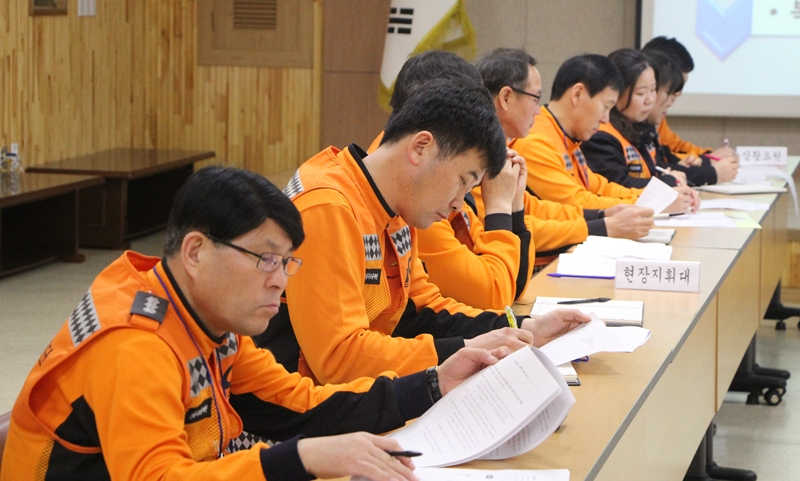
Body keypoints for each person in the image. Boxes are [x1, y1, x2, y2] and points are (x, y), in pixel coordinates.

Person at [0, 167, 512, 481]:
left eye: (287, 262)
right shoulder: (135, 346)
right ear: (196, 251)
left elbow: (294, 404)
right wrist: (302, 459)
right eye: (265, 259)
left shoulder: (202, 314)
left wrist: (432, 384)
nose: (279, 281)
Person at [255, 78, 590, 385]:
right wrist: (465, 350)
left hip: (354, 395)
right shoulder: (328, 206)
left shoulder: (395, 204)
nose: (459, 204)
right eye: (462, 181)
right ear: (420, 148)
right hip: (296, 411)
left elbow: (420, 308)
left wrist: (521, 328)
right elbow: (338, 358)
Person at [409, 49, 653, 308]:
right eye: (535, 98)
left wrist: (603, 216)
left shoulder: (490, 159)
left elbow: (514, 282)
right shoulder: (528, 144)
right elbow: (495, 292)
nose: (538, 111)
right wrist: (602, 225)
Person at [514, 54, 697, 212]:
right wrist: (652, 204)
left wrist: (660, 195)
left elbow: (602, 188)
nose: (606, 119)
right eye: (605, 106)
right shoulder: (535, 140)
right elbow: (576, 202)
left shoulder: (567, 137)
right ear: (577, 94)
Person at [580, 48, 692, 188]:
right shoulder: (599, 135)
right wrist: (668, 182)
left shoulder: (638, 128)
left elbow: (653, 169)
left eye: (653, 90)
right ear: (616, 92)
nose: (650, 100)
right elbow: (617, 185)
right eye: (641, 93)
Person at [642, 36, 739, 179]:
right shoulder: (620, 131)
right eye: (672, 87)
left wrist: (707, 156)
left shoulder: (652, 122)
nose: (678, 93)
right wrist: (709, 166)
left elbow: (672, 149)